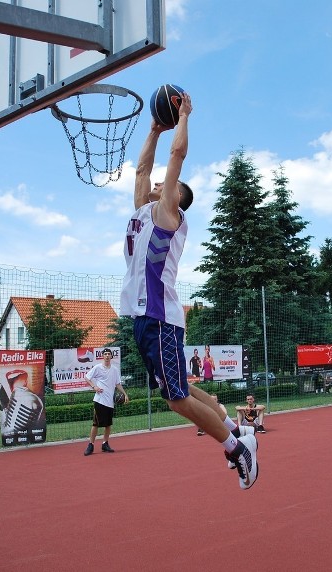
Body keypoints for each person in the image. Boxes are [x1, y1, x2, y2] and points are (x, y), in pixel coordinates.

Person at [121, 93, 258, 490]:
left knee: (176, 399)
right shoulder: (141, 211)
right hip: (144, 317)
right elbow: (142, 170)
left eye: (169, 185)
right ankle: (233, 425)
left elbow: (176, 155)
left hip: (159, 317)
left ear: (178, 199)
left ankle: (236, 448)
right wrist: (153, 129)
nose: (161, 183)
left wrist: (182, 117)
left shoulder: (169, 216)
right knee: (178, 390)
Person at [83, 348, 129, 455]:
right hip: (99, 400)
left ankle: (105, 444)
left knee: (108, 424)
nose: (107, 356)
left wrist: (125, 394)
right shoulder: (98, 368)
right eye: (105, 354)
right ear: (102, 356)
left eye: (109, 354)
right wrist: (94, 387)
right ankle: (91, 445)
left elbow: (118, 384)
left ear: (111, 356)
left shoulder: (114, 369)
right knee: (95, 424)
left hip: (110, 401)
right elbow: (87, 377)